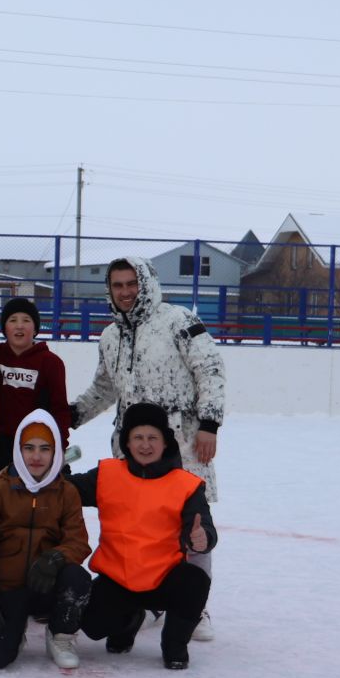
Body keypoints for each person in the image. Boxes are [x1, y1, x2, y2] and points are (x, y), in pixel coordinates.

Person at [70, 255, 226, 640]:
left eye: (131, 283)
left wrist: (209, 424)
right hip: (131, 446)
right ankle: (140, 600)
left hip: (183, 440)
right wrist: (68, 416)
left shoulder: (178, 321)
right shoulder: (110, 336)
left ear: (146, 283)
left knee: (191, 522)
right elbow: (104, 389)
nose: (125, 292)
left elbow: (210, 369)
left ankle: (196, 608)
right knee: (139, 523)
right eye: (117, 285)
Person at [69, 404, 216, 670]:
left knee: (195, 581)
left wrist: (202, 536)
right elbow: (68, 491)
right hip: (118, 578)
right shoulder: (108, 474)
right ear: (127, 441)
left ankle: (174, 643)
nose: (145, 445)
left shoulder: (186, 484)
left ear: (164, 443)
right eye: (138, 437)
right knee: (92, 625)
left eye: (152, 438)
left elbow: (203, 524)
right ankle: (129, 621)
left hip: (164, 580)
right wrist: (51, 472)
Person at [0, 410, 92, 670]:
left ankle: (60, 634)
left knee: (77, 578)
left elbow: (78, 540)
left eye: (45, 449)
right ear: (18, 449)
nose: (36, 456)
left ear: (55, 452)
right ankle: (15, 627)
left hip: (47, 583)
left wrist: (55, 558)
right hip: (9, 586)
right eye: (29, 448)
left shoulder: (66, 491)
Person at [0, 296, 71, 476]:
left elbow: (60, 408)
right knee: (4, 500)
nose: (19, 325)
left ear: (35, 328)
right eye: (13, 320)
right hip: (4, 445)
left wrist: (60, 446)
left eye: (26, 320)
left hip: (38, 445)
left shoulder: (51, 362)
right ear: (5, 328)